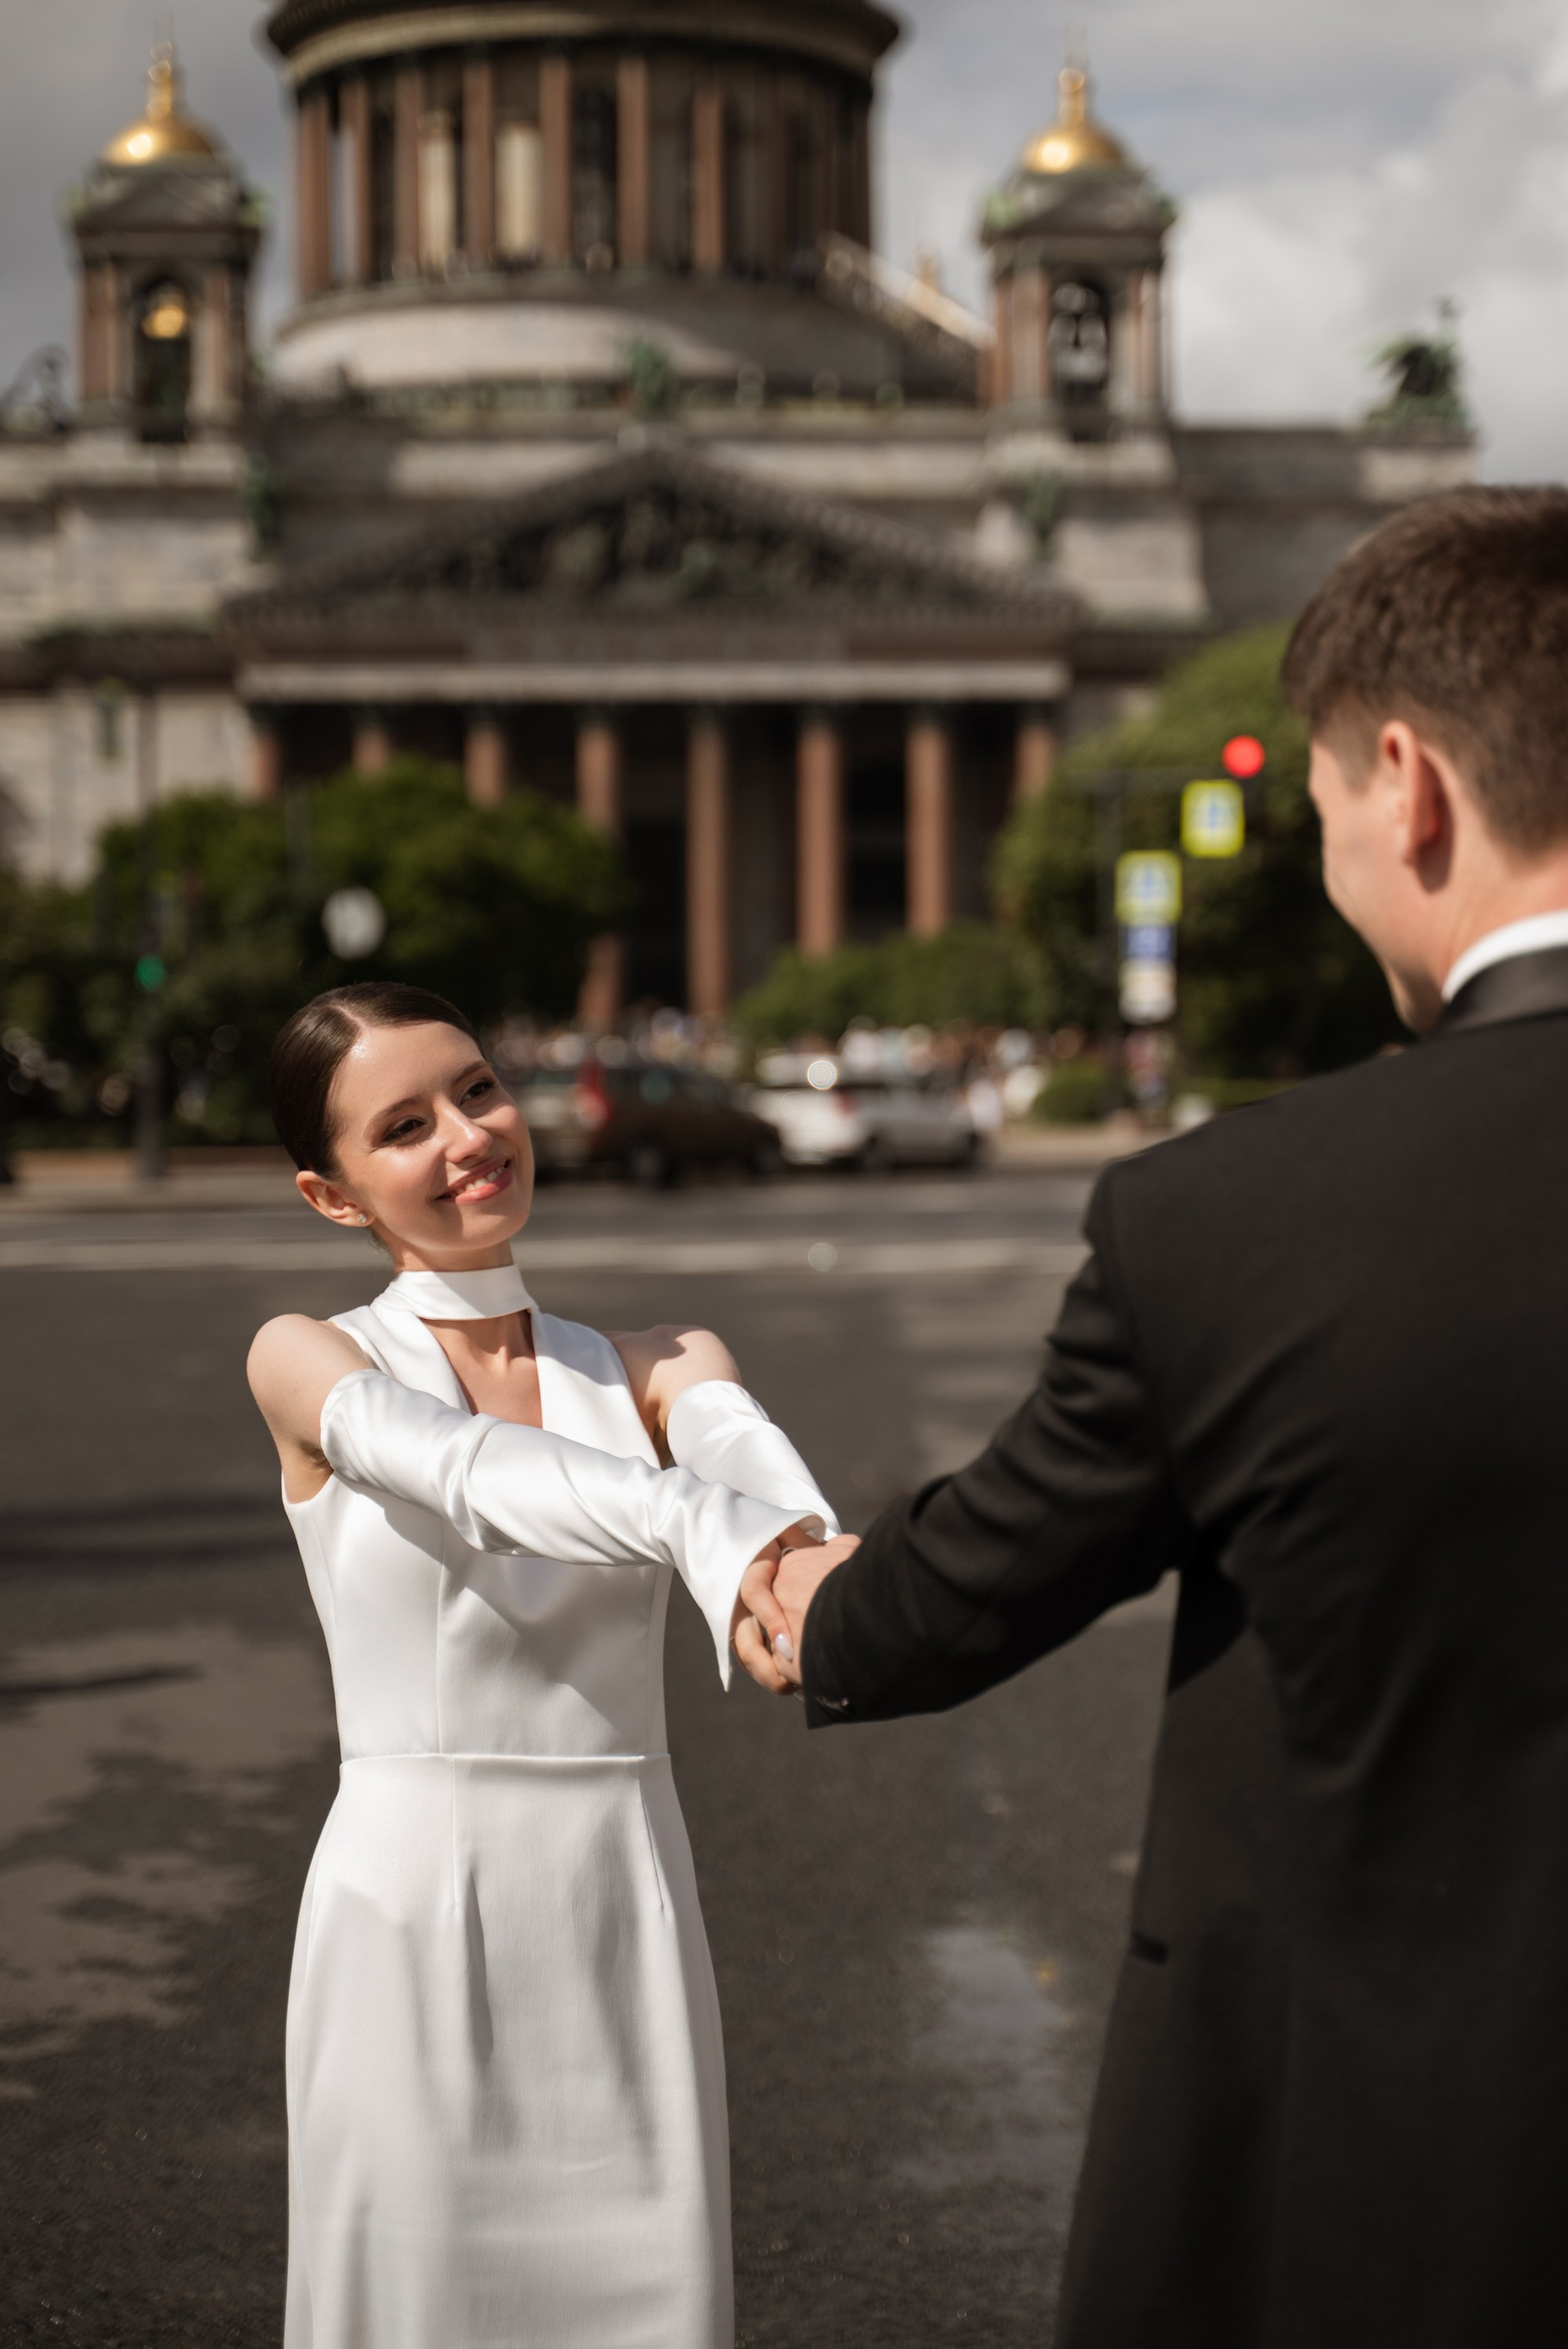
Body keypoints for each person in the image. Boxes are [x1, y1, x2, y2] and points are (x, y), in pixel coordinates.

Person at [771, 487, 1568, 2346]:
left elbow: (975, 1577)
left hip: (1388, 2185)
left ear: (1410, 785)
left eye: (1314, 812)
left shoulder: (1234, 1215)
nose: (1321, 859)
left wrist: (800, 1587)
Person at [245, 982, 854, 2349]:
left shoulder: (663, 1360)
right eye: (403, 1126)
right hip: (406, 1908)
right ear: (332, 1194)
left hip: (617, 1898)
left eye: (476, 1090)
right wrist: (714, 1532)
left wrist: (810, 1572)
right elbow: (471, 1477)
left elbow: (786, 1517)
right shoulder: (305, 1358)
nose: (469, 1135)